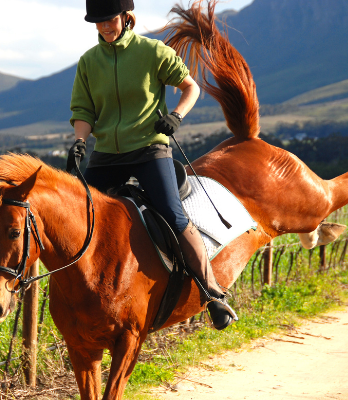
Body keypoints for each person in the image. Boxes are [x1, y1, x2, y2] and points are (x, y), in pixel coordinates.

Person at [67, 0, 235, 330]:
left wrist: (175, 116)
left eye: (109, 20)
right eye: (98, 22)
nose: (104, 27)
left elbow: (191, 87)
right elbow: (84, 111)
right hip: (107, 154)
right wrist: (80, 142)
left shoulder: (152, 52)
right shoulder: (89, 62)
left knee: (173, 215)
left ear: (125, 17)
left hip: (149, 148)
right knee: (78, 213)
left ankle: (212, 293)